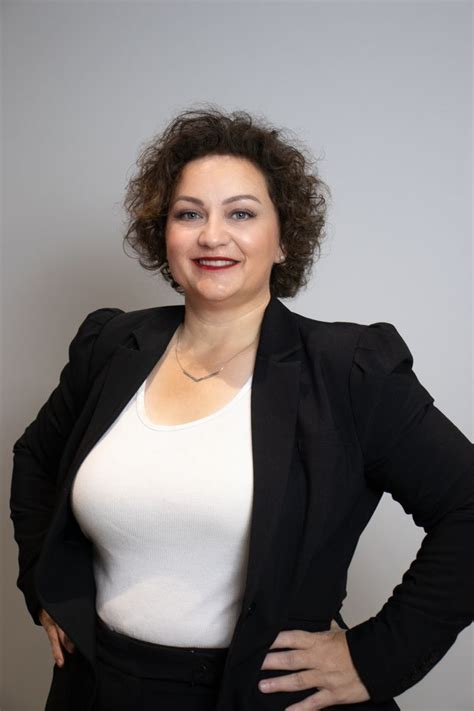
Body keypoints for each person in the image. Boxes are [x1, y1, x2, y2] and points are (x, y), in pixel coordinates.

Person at [10, 105, 474, 711]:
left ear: (284, 239)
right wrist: (47, 589)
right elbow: (36, 460)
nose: (212, 236)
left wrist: (378, 656)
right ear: (164, 234)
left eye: (242, 213)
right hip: (99, 689)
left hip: (262, 697)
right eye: (189, 213)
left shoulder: (349, 369)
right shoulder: (111, 346)